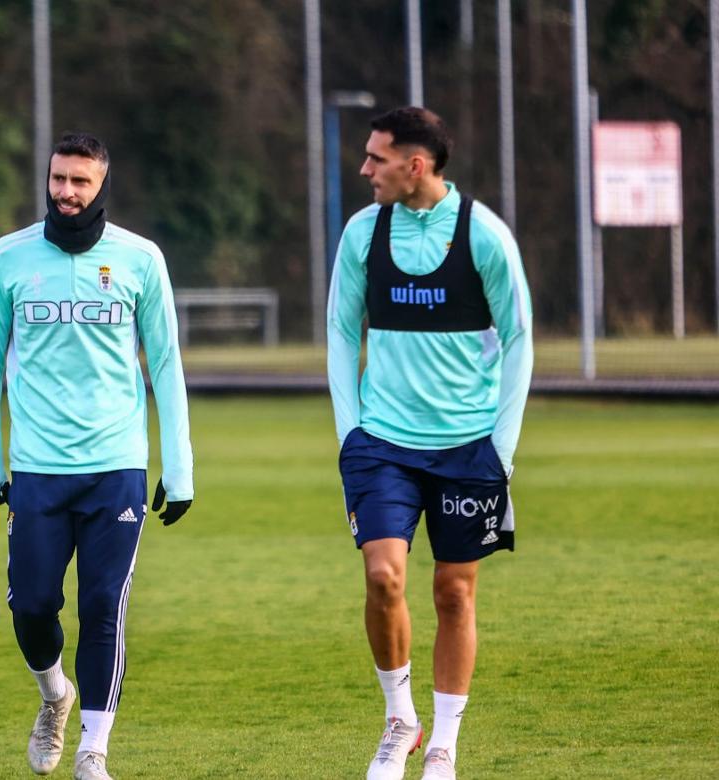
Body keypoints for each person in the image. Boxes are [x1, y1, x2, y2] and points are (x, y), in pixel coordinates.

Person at [0, 133, 194, 780]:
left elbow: (168, 364)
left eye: (80, 182)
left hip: (116, 467)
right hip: (37, 470)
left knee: (102, 605)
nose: (67, 192)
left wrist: (177, 468)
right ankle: (54, 695)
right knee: (32, 605)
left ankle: (94, 751)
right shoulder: (9, 258)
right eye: (58, 179)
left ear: (102, 186)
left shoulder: (140, 259)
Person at [327, 107, 533, 780]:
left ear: (415, 165)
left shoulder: (484, 236)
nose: (364, 170)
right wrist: (349, 430)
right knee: (383, 576)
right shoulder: (363, 232)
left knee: (453, 593)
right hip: (381, 443)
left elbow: (521, 339)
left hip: (469, 448)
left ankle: (443, 742)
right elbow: (339, 333)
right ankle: (399, 720)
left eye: (376, 159)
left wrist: (501, 449)